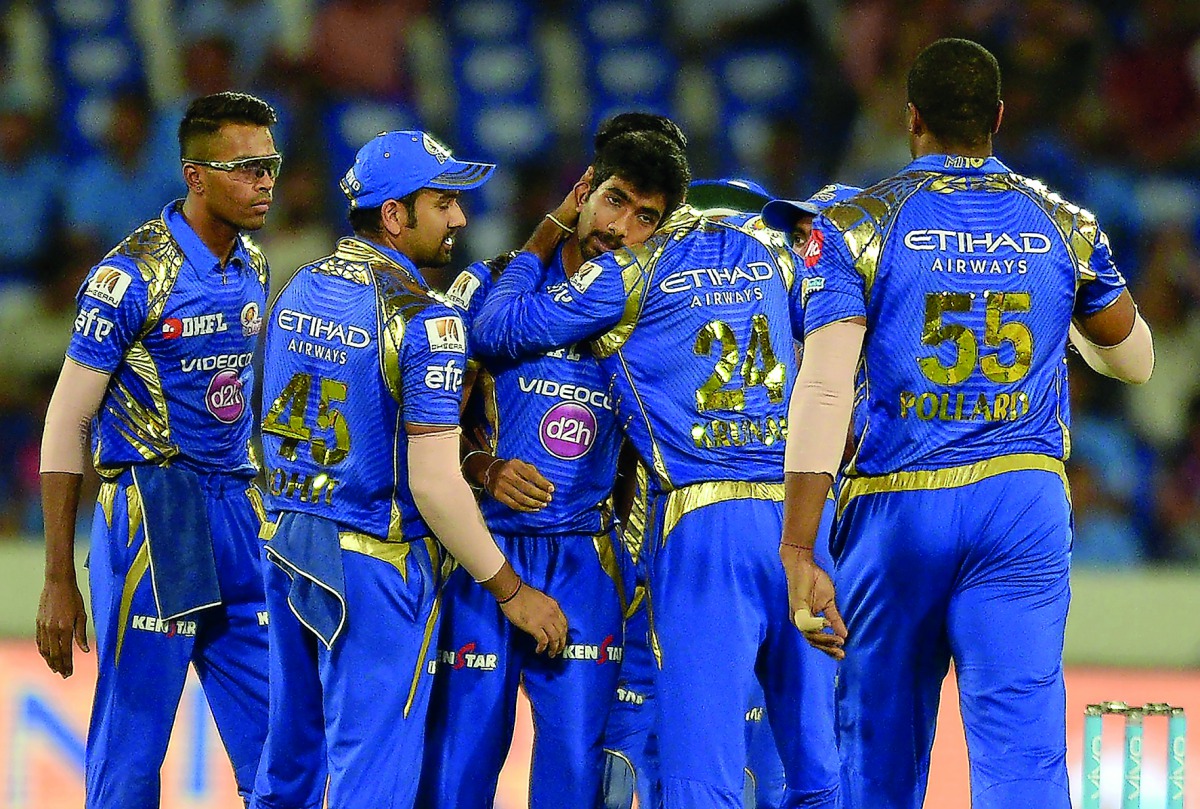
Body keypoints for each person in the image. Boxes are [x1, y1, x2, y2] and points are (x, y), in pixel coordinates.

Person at [779, 38, 1155, 809]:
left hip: (900, 502)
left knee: (876, 752)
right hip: (1023, 503)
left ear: (910, 118)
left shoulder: (856, 224)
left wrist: (797, 543)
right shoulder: (1066, 224)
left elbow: (823, 390)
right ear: (1000, 118)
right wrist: (1065, 326)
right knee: (1022, 757)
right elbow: (1135, 360)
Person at [472, 148, 840, 807]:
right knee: (813, 764)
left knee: (699, 772)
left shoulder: (634, 273)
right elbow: (851, 391)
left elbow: (498, 327)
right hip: (802, 524)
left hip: (701, 527)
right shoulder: (791, 267)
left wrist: (552, 225)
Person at [250, 130, 568, 809]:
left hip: (284, 544)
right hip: (374, 564)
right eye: (444, 201)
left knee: (288, 771)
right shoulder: (427, 322)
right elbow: (432, 483)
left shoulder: (298, 285)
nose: (459, 218)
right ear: (394, 214)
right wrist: (513, 591)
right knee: (374, 779)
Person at [419, 112, 688, 808]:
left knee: (573, 779)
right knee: (459, 771)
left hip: (584, 565)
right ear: (585, 190)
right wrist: (483, 468)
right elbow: (414, 424)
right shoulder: (494, 282)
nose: (622, 226)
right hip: (483, 556)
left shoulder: (651, 315)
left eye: (646, 217)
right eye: (616, 200)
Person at [35, 91, 279, 808]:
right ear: (194, 175)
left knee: (281, 751)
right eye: (247, 168)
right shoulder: (130, 276)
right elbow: (63, 421)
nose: (265, 182)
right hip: (154, 511)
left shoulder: (255, 266)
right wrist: (57, 575)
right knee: (133, 749)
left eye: (271, 165)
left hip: (240, 505)